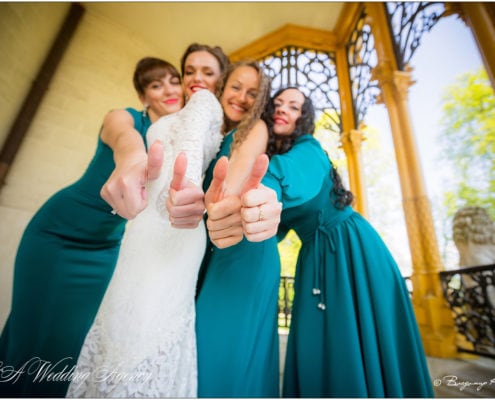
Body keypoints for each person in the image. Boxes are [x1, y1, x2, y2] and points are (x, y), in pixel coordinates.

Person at [0, 57, 184, 397]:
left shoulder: (180, 135)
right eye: (156, 85)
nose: (169, 90)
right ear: (144, 97)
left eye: (173, 80)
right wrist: (132, 157)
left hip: (104, 248)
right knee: (28, 333)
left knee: (64, 345)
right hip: (57, 234)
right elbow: (123, 137)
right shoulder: (125, 117)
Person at [66, 43, 229, 398]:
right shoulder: (152, 118)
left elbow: (187, 150)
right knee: (118, 323)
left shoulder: (203, 107)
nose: (194, 80)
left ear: (221, 79)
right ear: (144, 95)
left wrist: (183, 189)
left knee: (144, 329)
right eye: (189, 72)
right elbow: (125, 134)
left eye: (207, 72)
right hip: (139, 229)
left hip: (173, 224)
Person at [260, 87, 434, 397]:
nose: (283, 109)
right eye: (277, 104)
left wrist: (243, 163)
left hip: (352, 250)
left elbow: (281, 180)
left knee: (349, 341)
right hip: (314, 256)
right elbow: (275, 227)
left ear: (304, 118)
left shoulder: (308, 148)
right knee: (322, 347)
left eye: (294, 106)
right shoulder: (279, 160)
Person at [192, 60, 282, 398]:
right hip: (210, 250)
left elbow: (238, 173)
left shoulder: (253, 128)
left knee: (218, 352)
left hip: (242, 249)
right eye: (236, 87)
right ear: (221, 87)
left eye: (253, 93)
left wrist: (223, 200)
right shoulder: (208, 131)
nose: (242, 97)